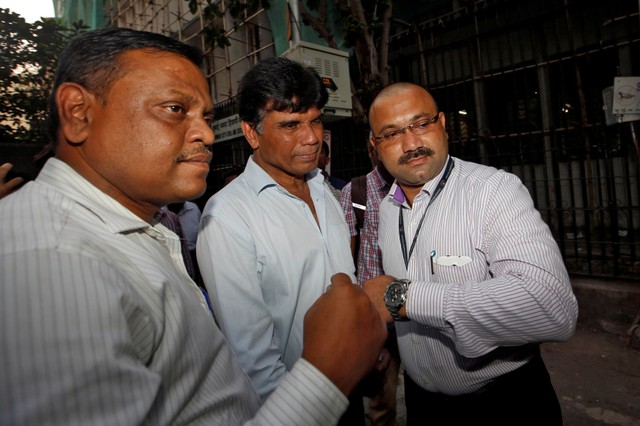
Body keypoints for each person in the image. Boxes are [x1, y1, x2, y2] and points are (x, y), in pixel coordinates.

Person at [0, 27, 387, 425]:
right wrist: (324, 379)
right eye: (174, 109)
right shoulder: (50, 258)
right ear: (79, 112)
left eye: (205, 116)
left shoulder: (141, 233)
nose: (204, 133)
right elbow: (253, 359)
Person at [363, 82, 579, 425]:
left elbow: (552, 307)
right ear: (375, 147)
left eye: (422, 124)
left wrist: (403, 298)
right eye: (391, 134)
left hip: (504, 403)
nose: (411, 143)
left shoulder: (493, 191)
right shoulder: (388, 208)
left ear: (443, 124)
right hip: (422, 403)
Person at [196, 56, 367, 424]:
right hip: (294, 406)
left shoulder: (326, 191)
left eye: (315, 120)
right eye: (290, 125)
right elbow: (253, 360)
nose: (311, 137)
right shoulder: (227, 216)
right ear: (252, 133)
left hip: (349, 388)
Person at [340, 142, 400, 426]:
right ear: (371, 149)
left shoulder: (418, 185)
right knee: (381, 401)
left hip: (422, 310)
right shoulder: (355, 192)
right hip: (379, 317)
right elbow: (344, 257)